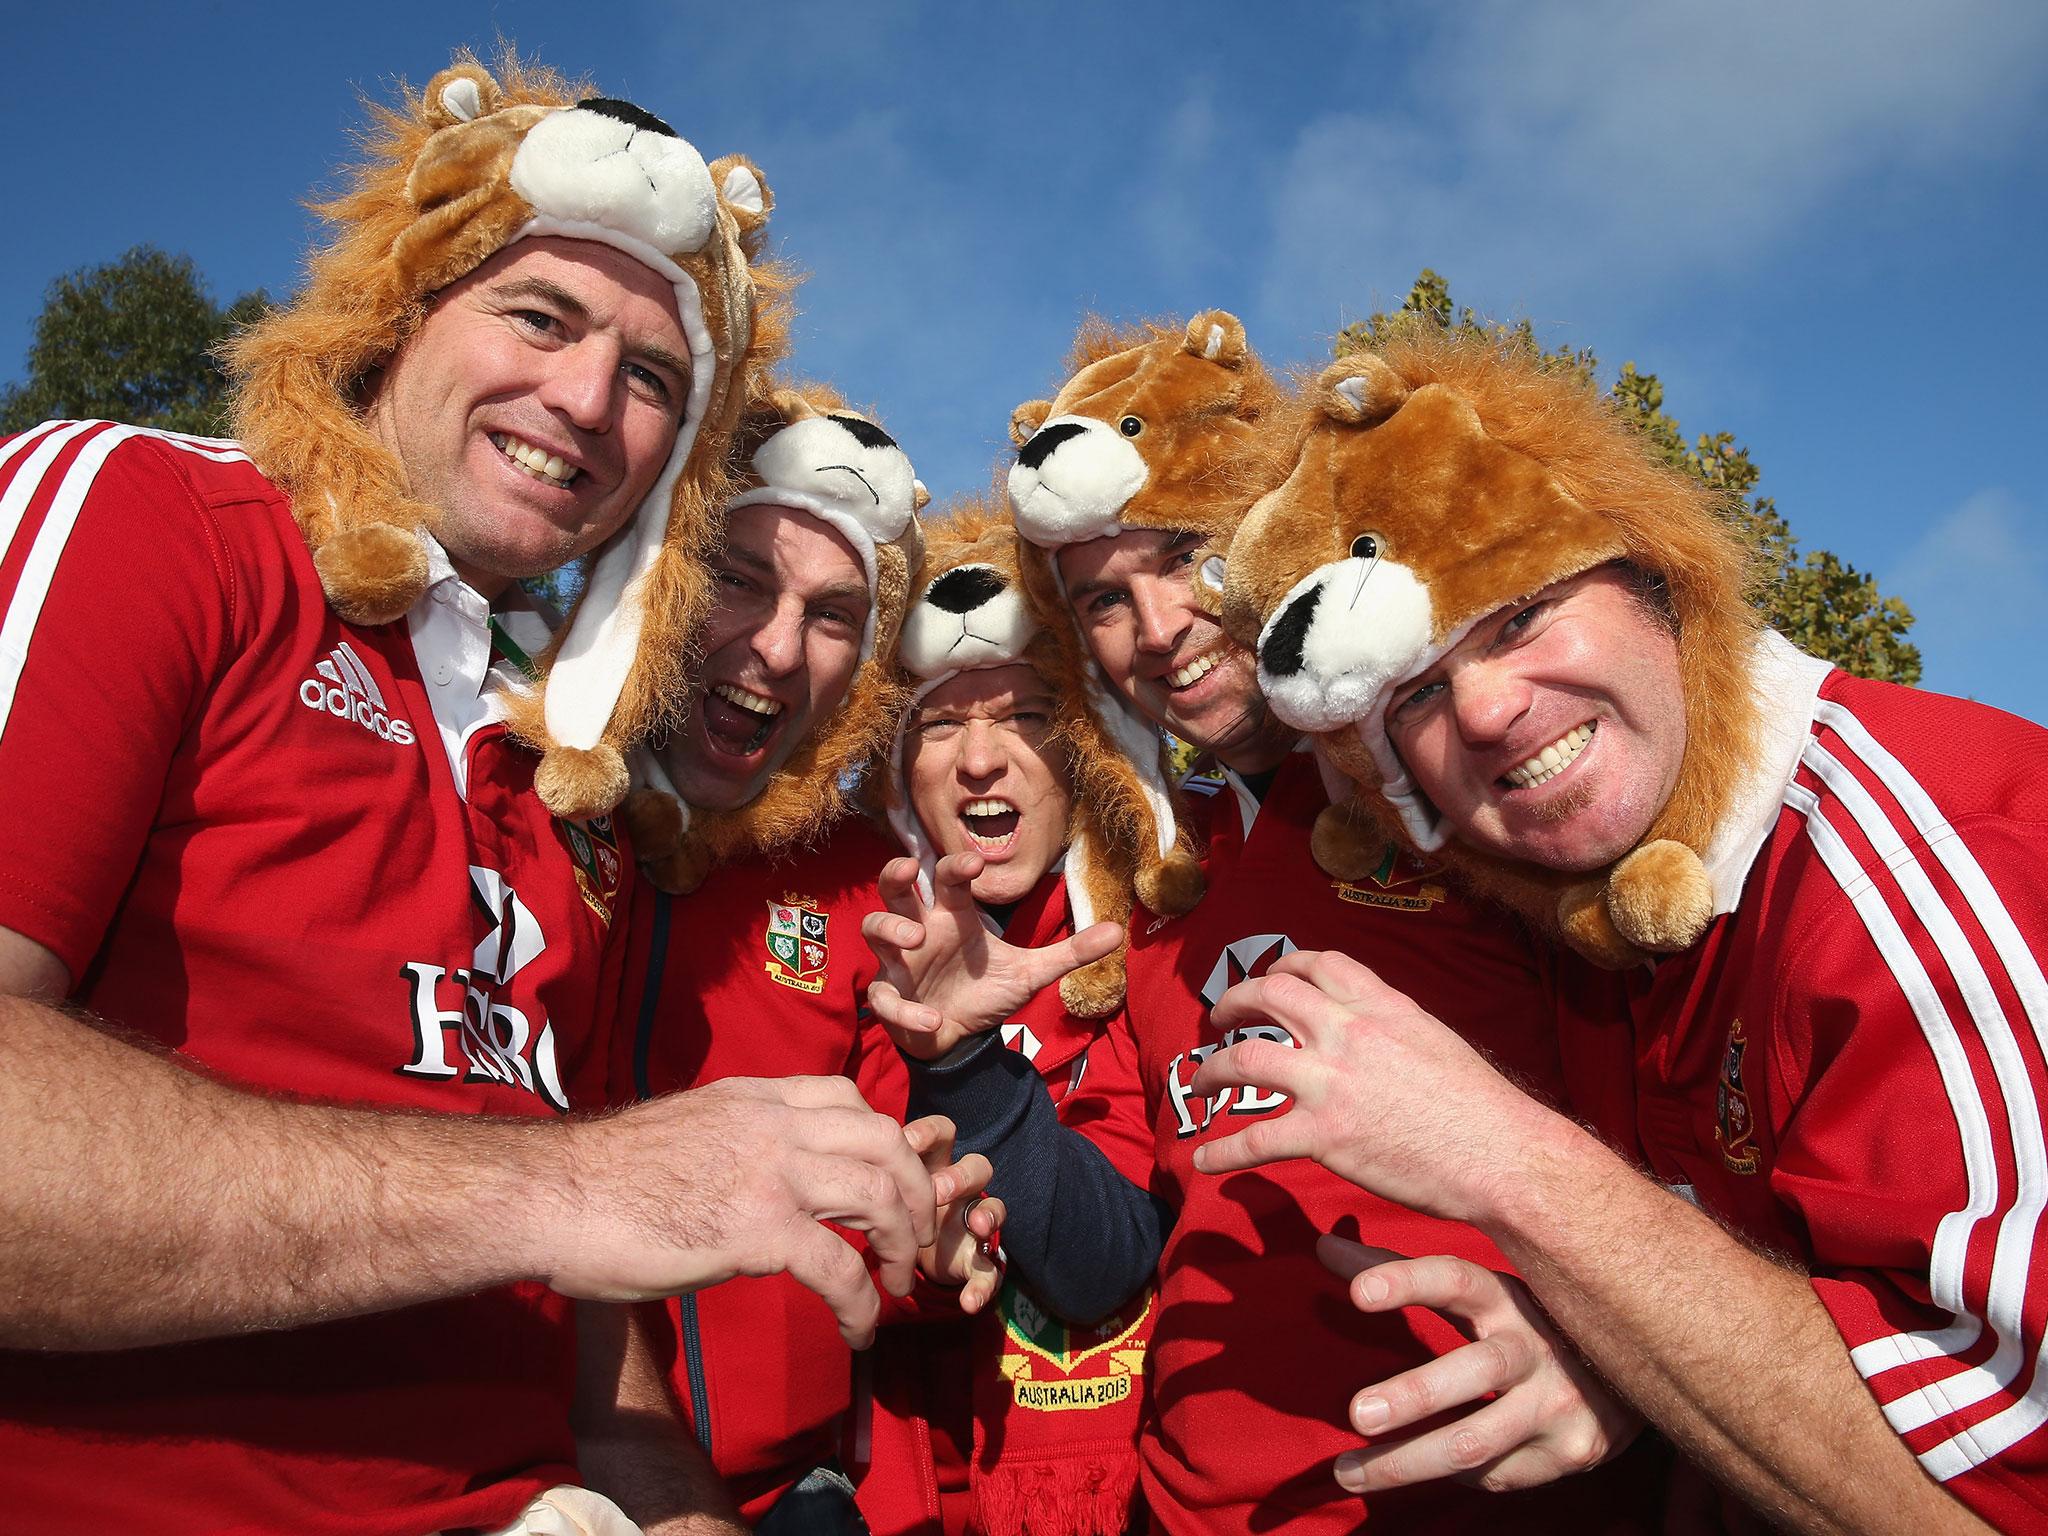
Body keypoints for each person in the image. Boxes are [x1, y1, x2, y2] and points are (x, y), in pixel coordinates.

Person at [0, 55, 945, 1536]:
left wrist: (675, 1500)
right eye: (541, 315)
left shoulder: (562, 773)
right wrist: (575, 1189)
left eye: (653, 378)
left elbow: (577, 1339)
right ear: (400, 311)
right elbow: (566, 1200)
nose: (585, 399)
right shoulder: (148, 512)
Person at [1207, 321, 2041, 1530]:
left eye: (1515, 616)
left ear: (1655, 579)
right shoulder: (1574, 915)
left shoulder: (1920, 864)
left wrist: (1502, 1158)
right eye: (1417, 697)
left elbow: (1990, 1504)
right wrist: (1626, 1350)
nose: (1487, 709)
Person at [874, 313, 1668, 1532]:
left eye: (1186, 558)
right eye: (1099, 602)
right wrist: (966, 1061)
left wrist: (1626, 1343)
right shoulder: (1159, 900)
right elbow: (1106, 1263)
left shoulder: (1465, 785)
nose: (1157, 632)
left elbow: (1695, 1099)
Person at [611, 386, 968, 1533]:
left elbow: (886, 1250)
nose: (773, 645)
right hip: (515, 1474)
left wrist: (940, 1235)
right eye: (741, 577)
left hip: (792, 1494)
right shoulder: (520, 792)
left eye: (832, 614)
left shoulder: (870, 879)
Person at [856, 496, 1160, 1536]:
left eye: (1025, 715)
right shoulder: (853, 961)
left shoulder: (1141, 953)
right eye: (940, 722)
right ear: (898, 770)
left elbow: (1100, 1264)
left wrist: (966, 1060)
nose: (979, 759)